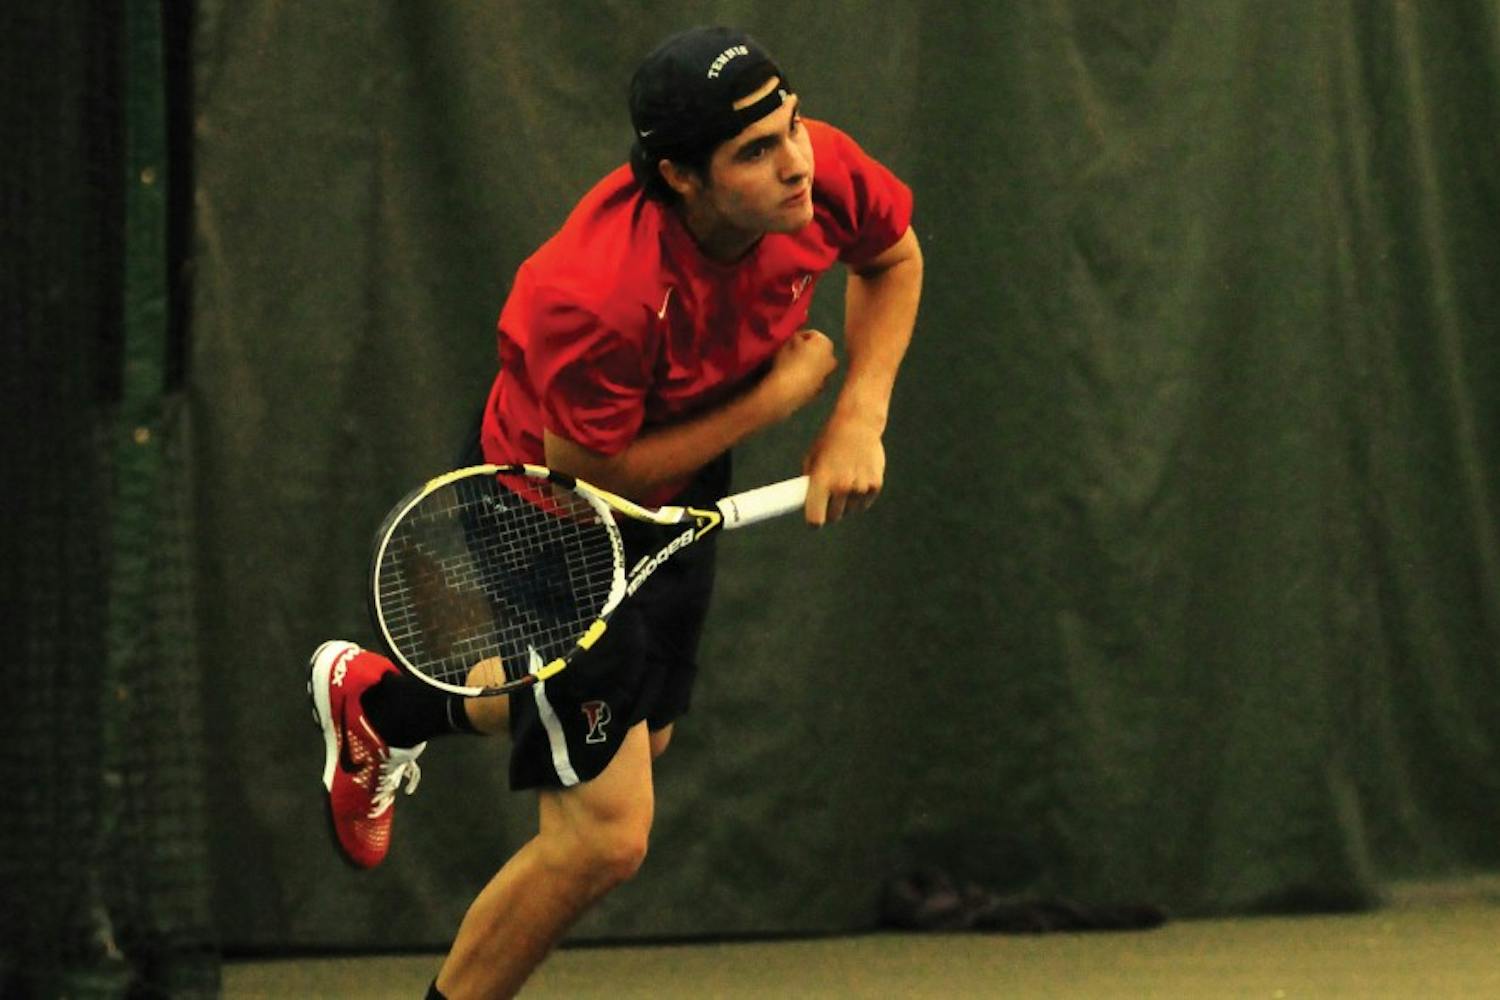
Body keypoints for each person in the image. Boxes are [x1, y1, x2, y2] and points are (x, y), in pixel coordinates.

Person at [308, 25, 922, 999]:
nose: (797, 162)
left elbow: (893, 258)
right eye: (756, 151)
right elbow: (603, 474)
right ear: (680, 176)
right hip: (554, 506)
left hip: (678, 479)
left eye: (792, 125)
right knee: (603, 838)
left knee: (649, 734)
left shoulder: (816, 175)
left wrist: (860, 412)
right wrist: (780, 399)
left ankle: (380, 704)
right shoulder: (596, 294)